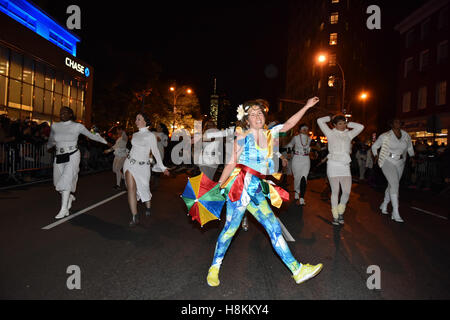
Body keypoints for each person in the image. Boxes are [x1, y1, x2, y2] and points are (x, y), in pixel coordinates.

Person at [206, 97, 323, 287]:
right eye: (252, 114)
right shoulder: (243, 137)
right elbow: (232, 162)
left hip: (257, 188)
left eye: (259, 113)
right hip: (241, 187)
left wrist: (307, 106)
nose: (257, 116)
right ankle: (214, 267)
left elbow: (289, 124)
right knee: (230, 230)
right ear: (247, 120)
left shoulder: (270, 134)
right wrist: (219, 184)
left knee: (274, 228)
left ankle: (297, 270)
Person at [47, 107, 107, 219]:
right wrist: (49, 145)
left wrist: (102, 140)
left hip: (72, 155)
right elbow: (51, 140)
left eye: (65, 112)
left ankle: (64, 209)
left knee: (66, 180)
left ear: (71, 115)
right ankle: (68, 197)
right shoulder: (55, 126)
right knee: (57, 184)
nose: (62, 114)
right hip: (59, 156)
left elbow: (91, 135)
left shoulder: (77, 126)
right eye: (60, 112)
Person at [317, 114, 364, 226]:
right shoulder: (330, 133)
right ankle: (335, 215)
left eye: (344, 123)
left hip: (345, 166)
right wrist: (330, 117)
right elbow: (319, 120)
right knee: (335, 191)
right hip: (333, 165)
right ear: (334, 125)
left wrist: (349, 123)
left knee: (347, 192)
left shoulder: (349, 134)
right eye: (340, 123)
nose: (343, 125)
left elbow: (361, 127)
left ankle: (341, 210)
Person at [123, 113, 169, 227]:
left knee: (145, 189)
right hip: (129, 164)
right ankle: (135, 216)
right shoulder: (134, 134)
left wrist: (162, 167)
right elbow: (133, 149)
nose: (136, 121)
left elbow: (155, 152)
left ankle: (148, 206)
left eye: (139, 119)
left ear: (145, 121)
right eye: (136, 119)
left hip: (143, 167)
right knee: (131, 189)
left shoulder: (150, 136)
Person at [371, 119, 414, 222]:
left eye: (400, 122)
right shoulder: (385, 135)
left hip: (400, 162)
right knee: (395, 185)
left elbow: (410, 148)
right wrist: (376, 155)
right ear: (391, 124)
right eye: (395, 122)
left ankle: (384, 204)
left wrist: (412, 157)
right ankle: (395, 212)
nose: (398, 123)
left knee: (392, 185)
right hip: (387, 160)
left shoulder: (406, 135)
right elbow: (374, 146)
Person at [285, 123, 311, 206]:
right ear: (300, 130)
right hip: (297, 158)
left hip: (306, 159)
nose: (305, 130)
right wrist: (289, 152)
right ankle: (296, 191)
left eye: (306, 128)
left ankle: (302, 197)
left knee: (304, 177)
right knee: (297, 177)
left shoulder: (309, 139)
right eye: (303, 128)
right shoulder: (296, 138)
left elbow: (311, 148)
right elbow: (289, 145)